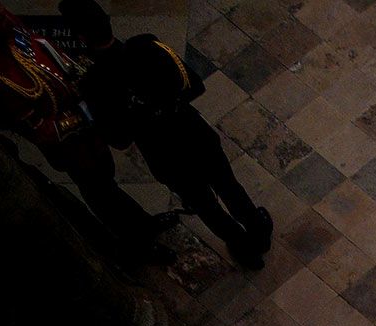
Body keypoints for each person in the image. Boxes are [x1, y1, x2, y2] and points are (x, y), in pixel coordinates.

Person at [0, 0, 160, 258]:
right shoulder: (0, 78)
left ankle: (143, 223)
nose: (6, 15)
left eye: (2, 9)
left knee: (108, 182)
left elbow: (50, 56)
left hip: (90, 133)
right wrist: (85, 114)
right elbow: (43, 132)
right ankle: (138, 239)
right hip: (74, 149)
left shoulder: (14, 31)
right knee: (102, 194)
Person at [80, 27, 274, 268]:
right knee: (227, 184)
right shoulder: (147, 46)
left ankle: (242, 247)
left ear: (82, 38)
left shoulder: (94, 83)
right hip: (194, 135)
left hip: (165, 156)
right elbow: (194, 85)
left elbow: (120, 140)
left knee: (205, 205)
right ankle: (257, 230)